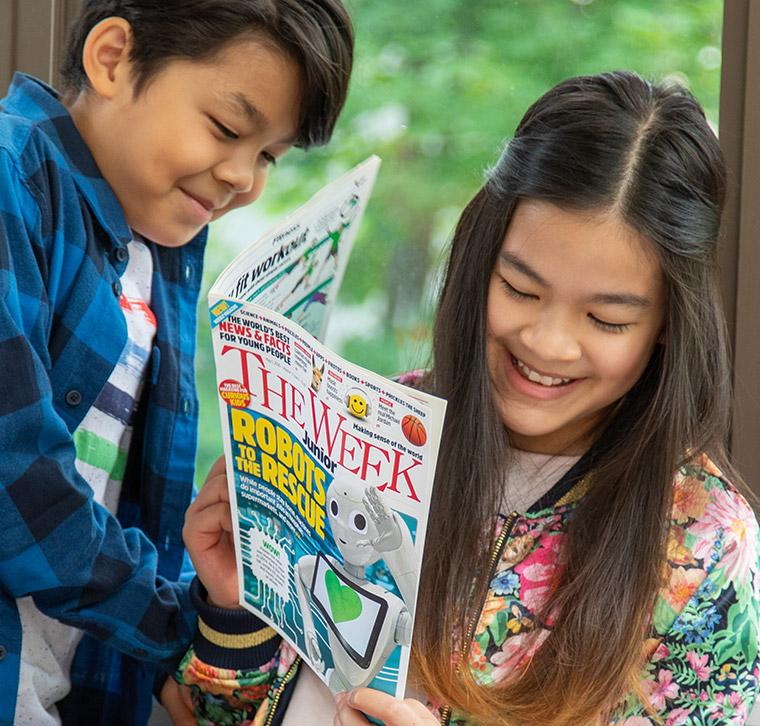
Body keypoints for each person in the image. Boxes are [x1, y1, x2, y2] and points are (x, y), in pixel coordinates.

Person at [176, 71, 760, 725]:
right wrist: (231, 609)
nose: (547, 342)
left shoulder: (704, 545)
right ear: (481, 262)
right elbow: (215, 713)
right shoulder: (372, 426)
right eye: (520, 288)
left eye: (606, 321)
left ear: (666, 330)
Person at [0, 1, 353, 724]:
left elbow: (138, 521)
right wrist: (175, 635)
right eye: (227, 129)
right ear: (112, 59)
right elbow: (14, 476)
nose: (243, 178)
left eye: (267, 156)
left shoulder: (155, 256)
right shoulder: (13, 181)